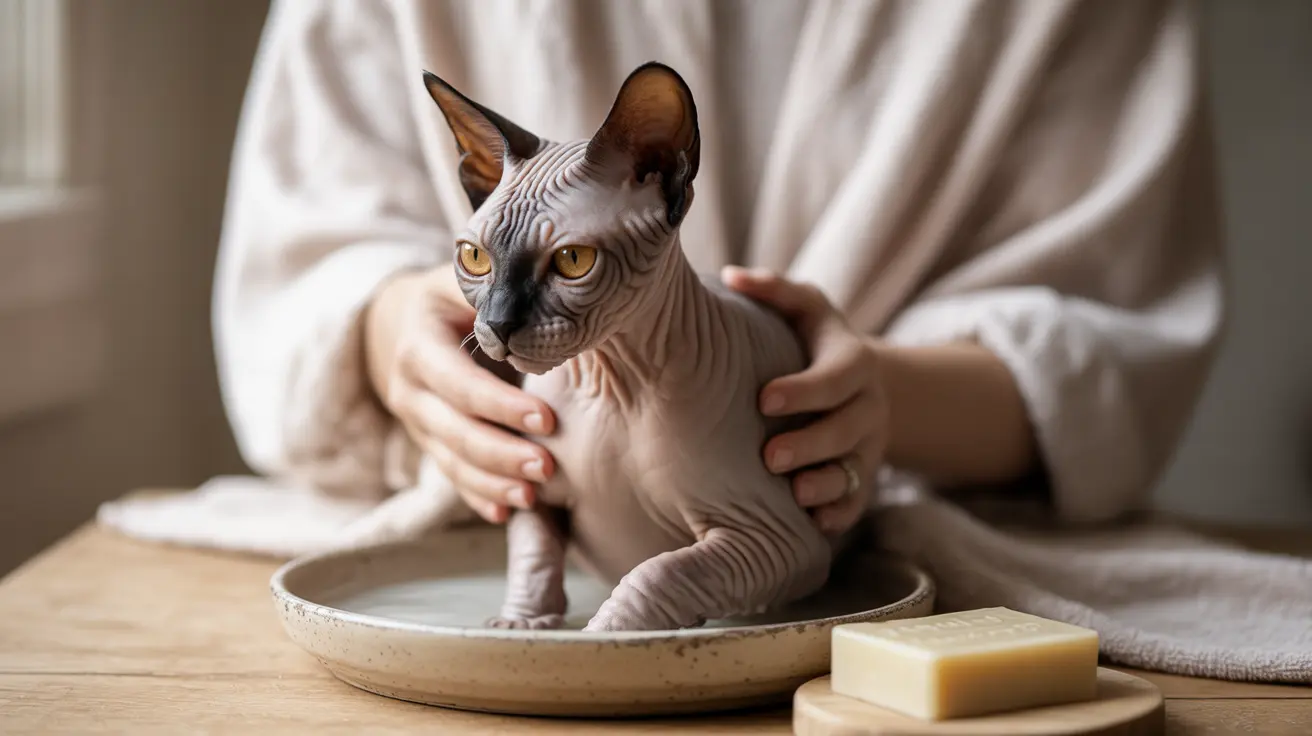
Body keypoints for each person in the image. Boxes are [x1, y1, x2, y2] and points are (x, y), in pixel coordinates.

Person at [209, 0, 1224, 545]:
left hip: (873, 564)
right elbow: (306, 253)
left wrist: (878, 399)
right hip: (509, 537)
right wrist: (391, 338)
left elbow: (1111, 338)